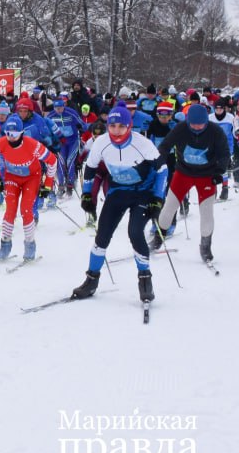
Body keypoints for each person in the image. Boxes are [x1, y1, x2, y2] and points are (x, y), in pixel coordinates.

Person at [71, 103, 168, 305]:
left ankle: (145, 280)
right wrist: (87, 195)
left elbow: (162, 170)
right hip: (118, 191)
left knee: (135, 232)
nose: (116, 131)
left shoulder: (143, 144)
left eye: (121, 126)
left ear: (129, 126)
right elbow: (90, 170)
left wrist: (157, 198)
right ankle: (91, 280)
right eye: (112, 126)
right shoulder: (101, 143)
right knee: (102, 235)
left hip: (142, 193)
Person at [150, 102, 231, 263]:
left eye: (201, 124)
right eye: (193, 124)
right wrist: (158, 160)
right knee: (169, 207)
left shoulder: (216, 132)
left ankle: (206, 246)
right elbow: (165, 146)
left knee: (206, 212)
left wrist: (219, 172)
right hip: (183, 173)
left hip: (207, 175)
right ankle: (159, 238)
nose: (197, 127)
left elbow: (224, 154)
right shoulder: (181, 128)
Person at [0, 116, 57, 262]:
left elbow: (52, 161)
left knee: (26, 209)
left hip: (31, 178)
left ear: (21, 133)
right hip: (12, 177)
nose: (10, 138)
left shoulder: (32, 144)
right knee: (10, 209)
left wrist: (48, 185)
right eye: (7, 134)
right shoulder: (1, 143)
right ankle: (5, 245)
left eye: (14, 134)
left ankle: (29, 245)